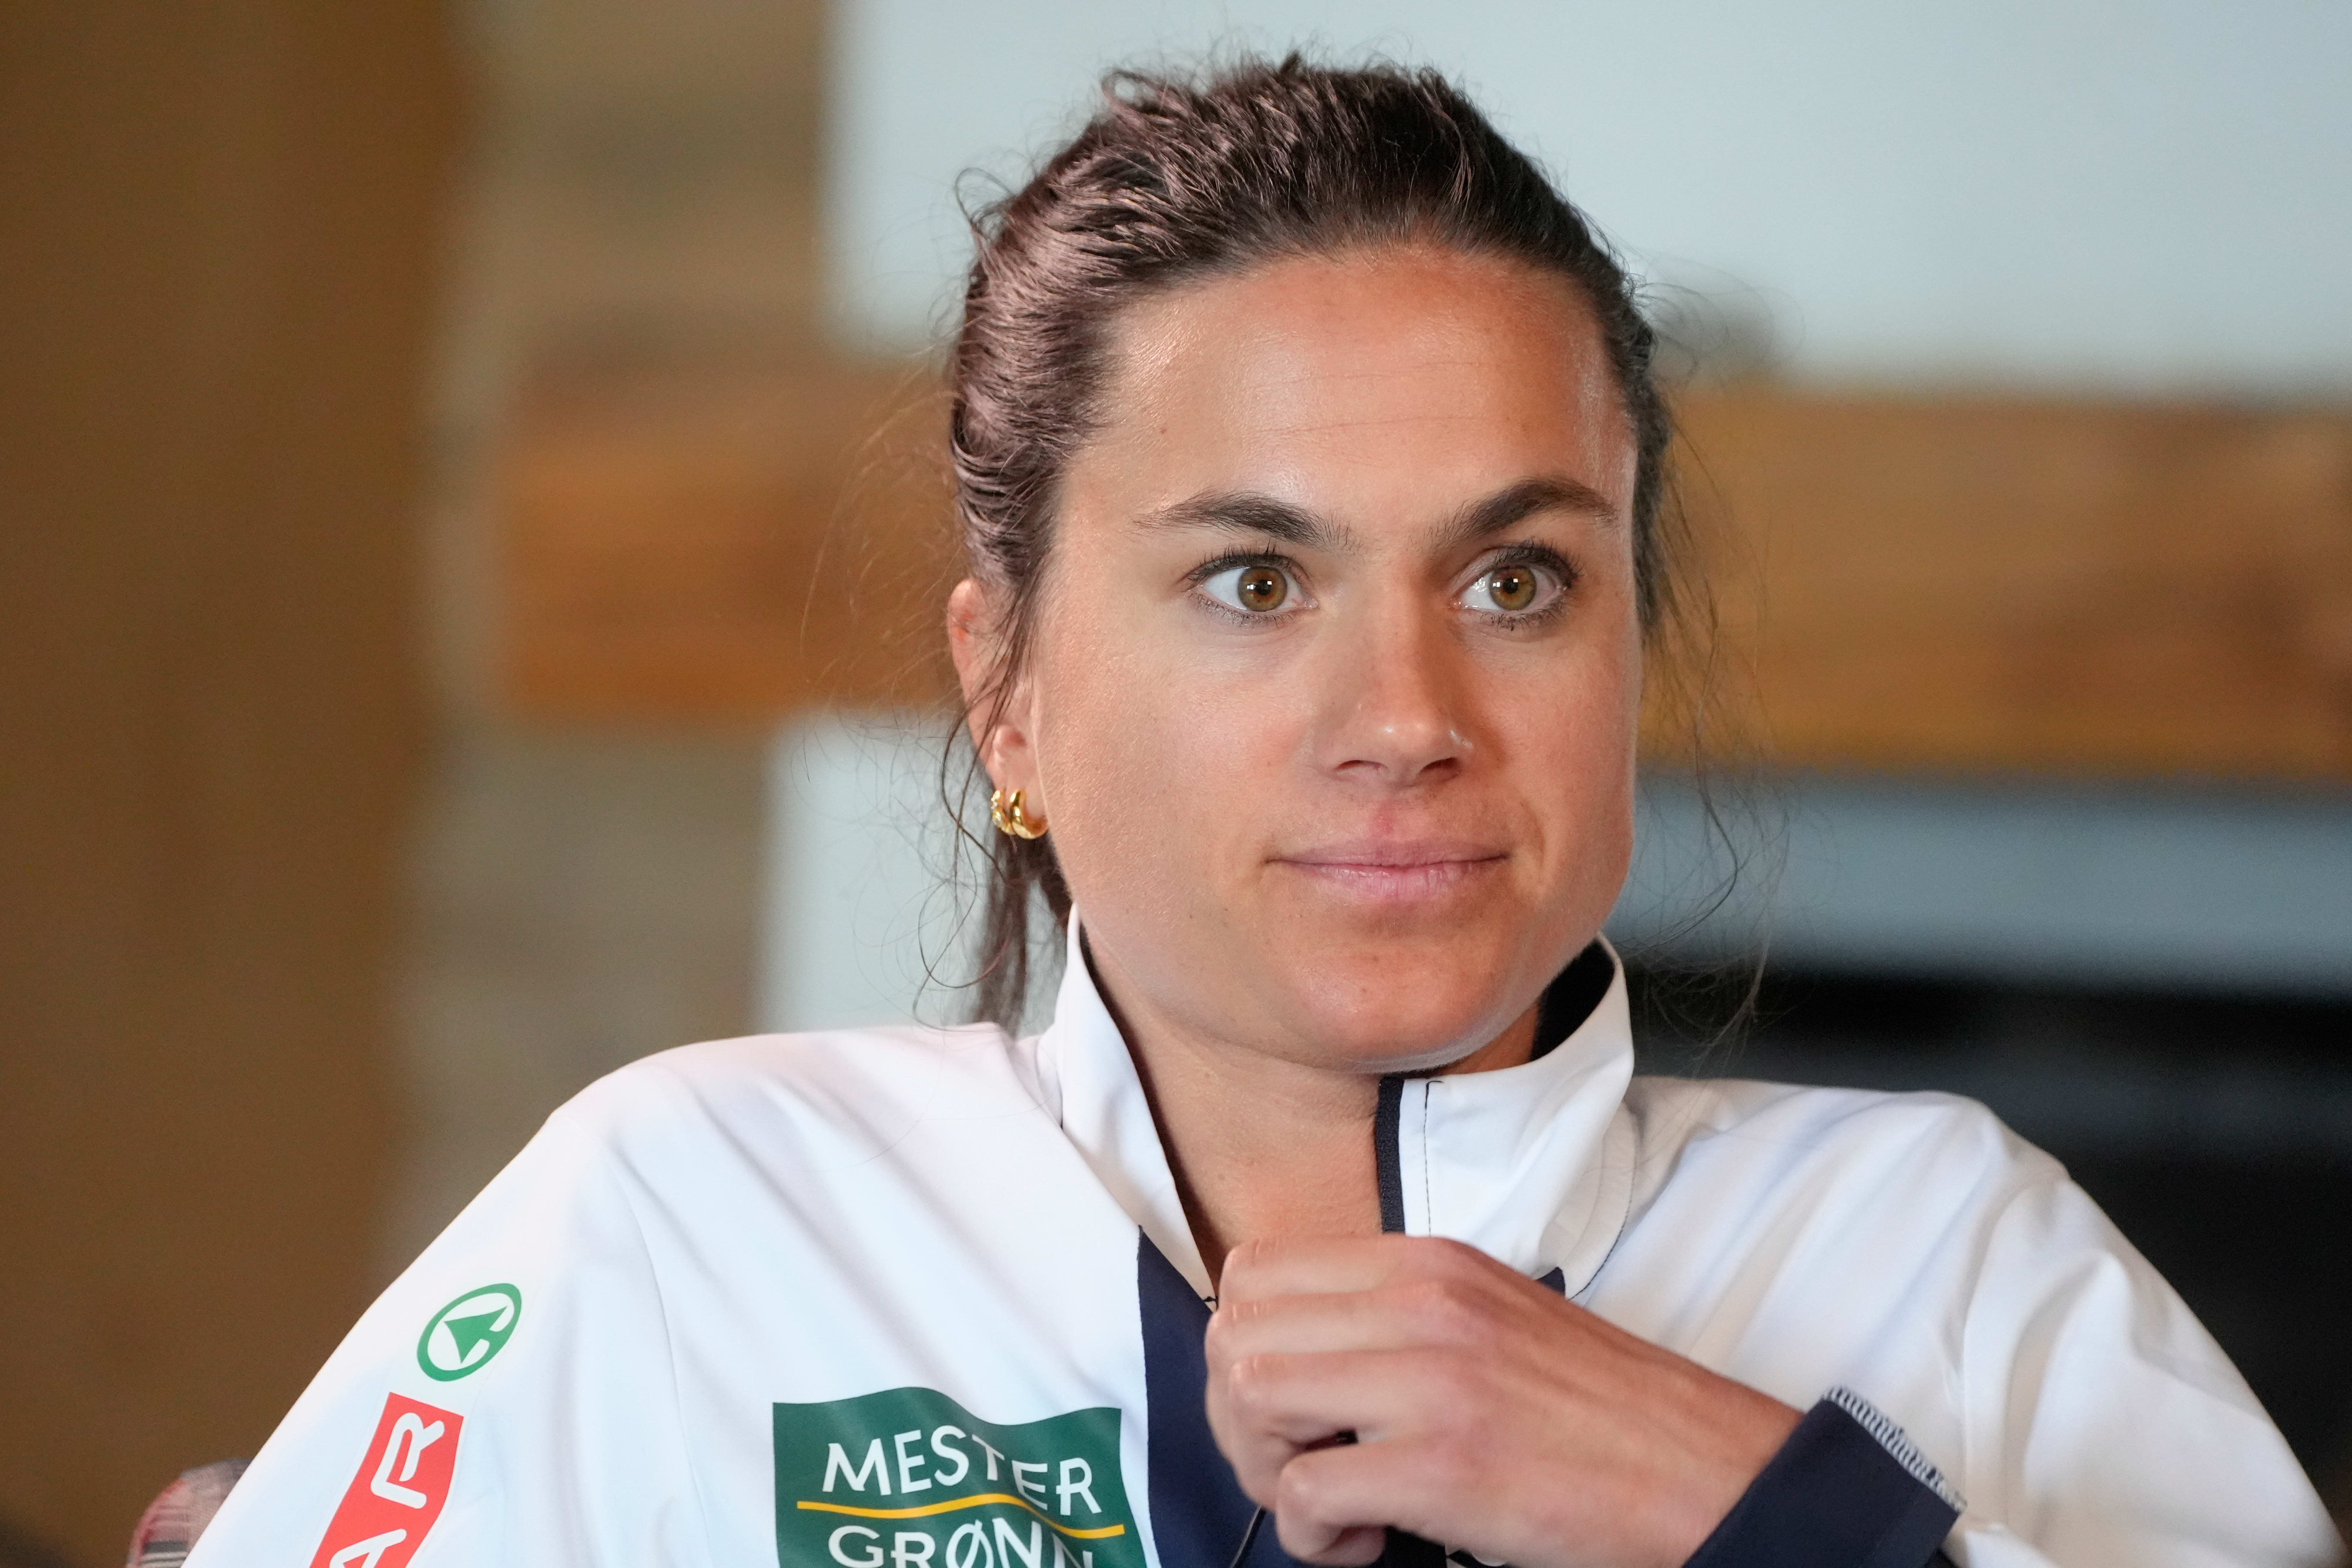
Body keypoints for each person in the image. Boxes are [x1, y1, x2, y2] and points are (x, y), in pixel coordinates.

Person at [185, 57, 2339, 1568]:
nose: (1403, 717)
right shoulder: (696, 1219)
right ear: (1007, 689)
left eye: (1516, 580)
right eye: (1251, 581)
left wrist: (1754, 1514)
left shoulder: (1953, 1266)